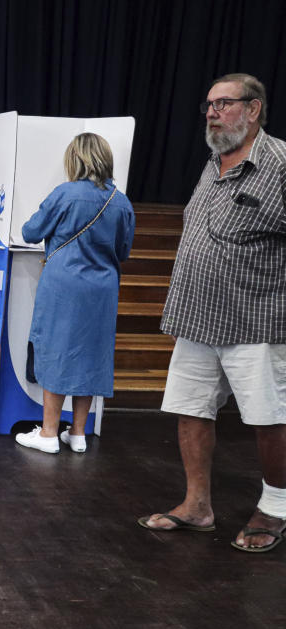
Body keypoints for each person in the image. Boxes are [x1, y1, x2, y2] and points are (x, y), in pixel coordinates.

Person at [138, 73, 286, 552]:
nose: (212, 112)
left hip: (256, 319)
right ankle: (197, 506)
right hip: (198, 316)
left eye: (224, 103)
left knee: (269, 419)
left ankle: (277, 507)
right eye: (209, 104)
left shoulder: (280, 164)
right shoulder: (213, 163)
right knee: (190, 409)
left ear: (254, 108)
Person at [14, 133, 135, 454]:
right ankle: (78, 433)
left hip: (64, 287)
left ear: (75, 159)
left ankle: (49, 434)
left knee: (57, 351)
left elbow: (30, 231)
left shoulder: (65, 194)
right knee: (91, 356)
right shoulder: (121, 202)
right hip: (103, 290)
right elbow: (123, 250)